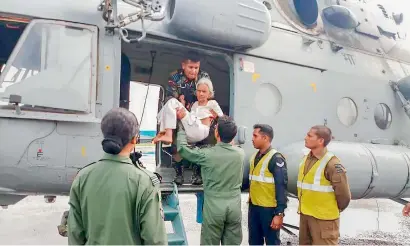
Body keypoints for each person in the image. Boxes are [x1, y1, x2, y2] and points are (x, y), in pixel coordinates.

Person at [67, 107, 167, 245]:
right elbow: (155, 240)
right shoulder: (144, 182)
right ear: (134, 139)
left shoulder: (82, 177)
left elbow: (75, 236)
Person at [176, 114, 244, 245]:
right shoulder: (240, 154)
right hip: (234, 207)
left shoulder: (207, 155)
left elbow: (183, 149)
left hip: (214, 208)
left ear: (216, 132)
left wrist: (181, 128)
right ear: (234, 136)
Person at [297, 125, 351, 245]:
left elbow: (344, 196)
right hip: (306, 216)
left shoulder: (332, 164)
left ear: (321, 141)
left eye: (310, 135)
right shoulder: (306, 159)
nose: (305, 138)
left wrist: (328, 211)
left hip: (324, 220)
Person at [247, 124, 288, 245]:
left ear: (265, 138)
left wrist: (279, 213)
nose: (252, 139)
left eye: (255, 136)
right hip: (254, 207)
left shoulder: (276, 159)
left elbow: (281, 187)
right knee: (254, 241)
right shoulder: (255, 157)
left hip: (269, 210)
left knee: (272, 242)